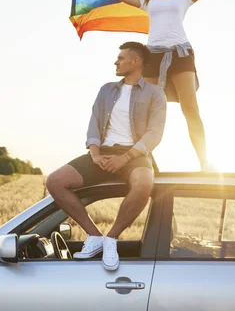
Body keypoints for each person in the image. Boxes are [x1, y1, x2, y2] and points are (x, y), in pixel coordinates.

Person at [80, 0, 235, 172]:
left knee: (190, 110)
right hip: (153, 57)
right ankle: (145, 163)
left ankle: (204, 162)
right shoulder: (147, 1)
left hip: (180, 54)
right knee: (144, 111)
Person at [46, 41, 166, 271]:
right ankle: (95, 236)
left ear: (136, 61)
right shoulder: (107, 90)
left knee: (144, 184)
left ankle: (111, 239)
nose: (116, 62)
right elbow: (94, 126)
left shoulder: (155, 93)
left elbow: (155, 133)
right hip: (102, 152)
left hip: (135, 153)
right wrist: (95, 154)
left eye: (121, 58)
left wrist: (126, 157)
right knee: (55, 181)